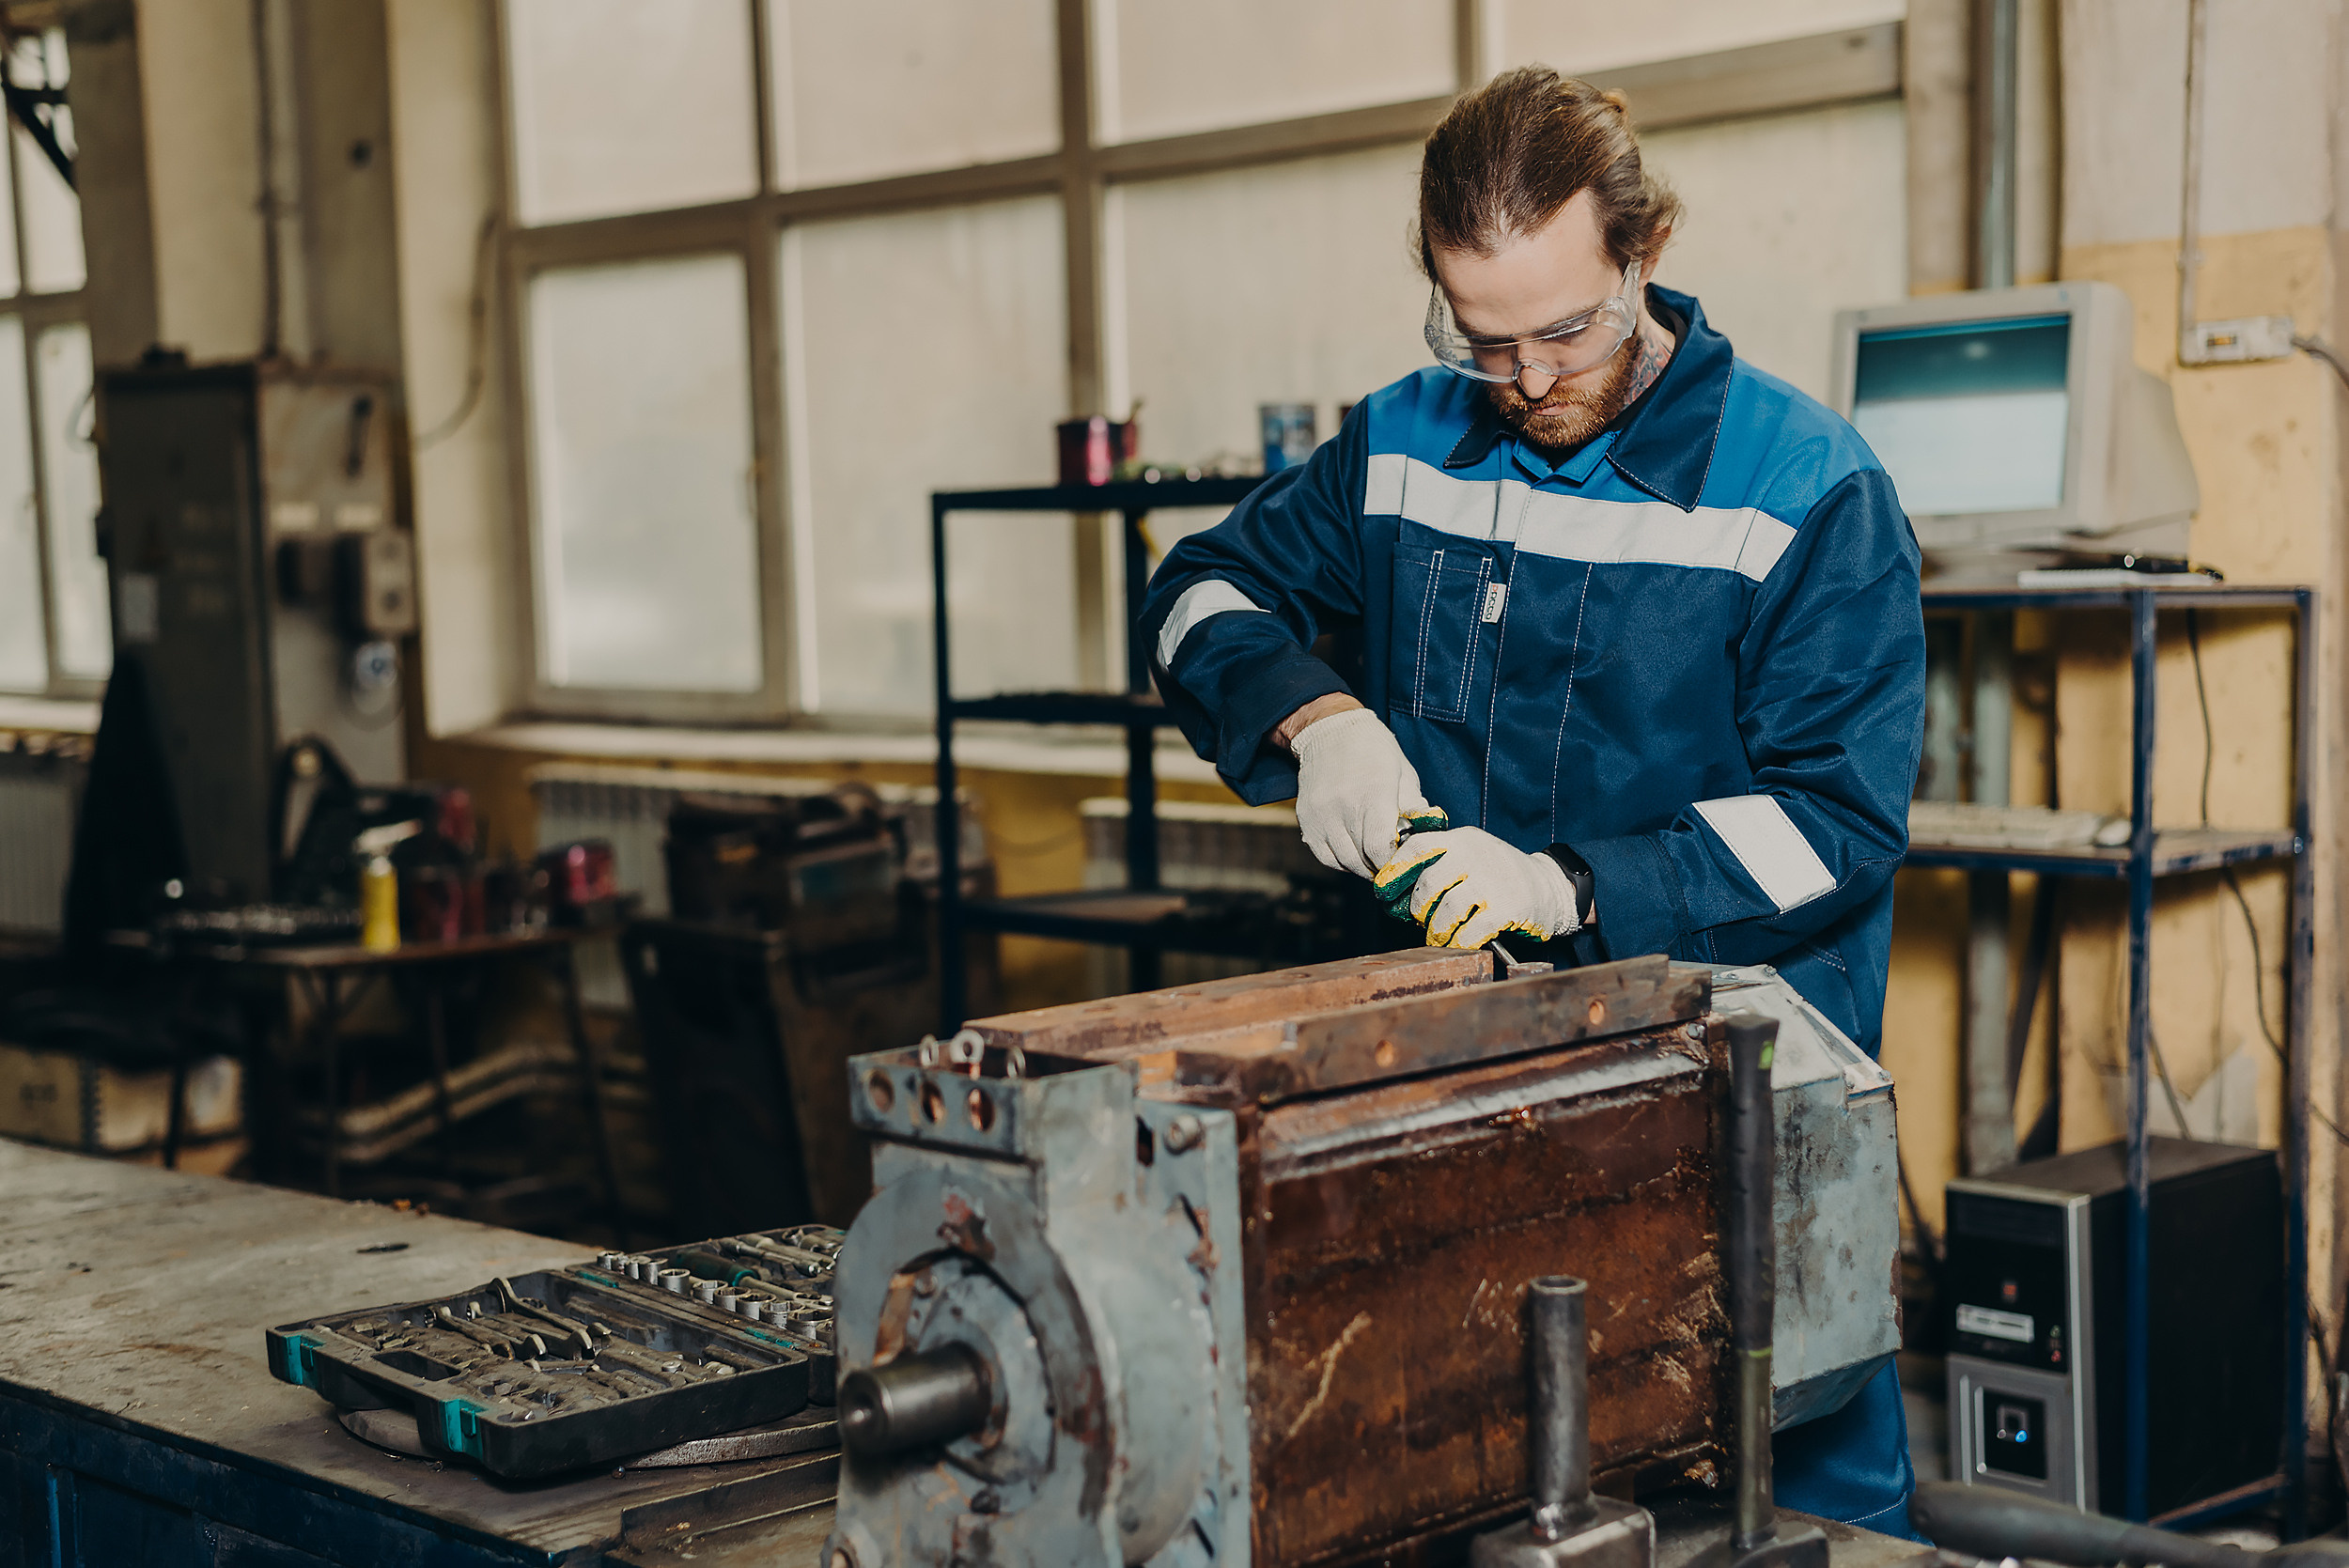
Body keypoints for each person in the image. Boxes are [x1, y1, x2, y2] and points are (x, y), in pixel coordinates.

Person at [1139, 67, 1926, 1535]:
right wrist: (1318, 718)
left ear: (1646, 254)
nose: (1532, 380)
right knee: (1458, 1491)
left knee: (1787, 1517)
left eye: (1567, 328)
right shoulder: (1405, 440)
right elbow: (1198, 592)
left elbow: (1836, 820)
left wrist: (1574, 883)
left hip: (1722, 1123)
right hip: (1462, 1096)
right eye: (1482, 338)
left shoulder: (1807, 489)